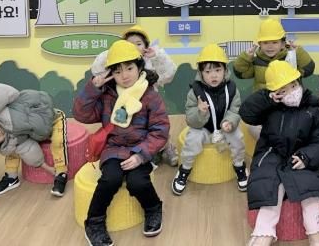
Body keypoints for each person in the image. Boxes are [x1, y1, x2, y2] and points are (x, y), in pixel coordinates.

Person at [74, 40, 169, 246]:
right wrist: (94, 87)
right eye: (117, 71)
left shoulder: (150, 96)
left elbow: (160, 131)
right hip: (113, 149)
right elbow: (82, 114)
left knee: (138, 182)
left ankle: (153, 208)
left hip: (139, 149)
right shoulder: (107, 95)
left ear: (139, 67)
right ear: (111, 74)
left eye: (129, 68)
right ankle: (94, 222)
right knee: (110, 179)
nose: (124, 75)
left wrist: (140, 155)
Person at [240, 61, 319, 246]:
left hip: (302, 156)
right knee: (268, 183)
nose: (291, 91)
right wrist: (266, 99)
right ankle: (263, 232)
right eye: (283, 89)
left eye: (294, 85)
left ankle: (317, 231)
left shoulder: (315, 110)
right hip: (271, 154)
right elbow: (247, 113)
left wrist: (307, 157)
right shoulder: (270, 108)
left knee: (309, 186)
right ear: (275, 92)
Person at [91, 25, 178, 166]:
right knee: (136, 130)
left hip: (150, 103)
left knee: (157, 129)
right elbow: (96, 69)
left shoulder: (149, 62)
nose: (135, 47)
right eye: (130, 44)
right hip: (126, 104)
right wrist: (114, 52)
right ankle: (148, 153)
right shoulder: (120, 66)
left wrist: (157, 55)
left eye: (139, 44)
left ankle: (166, 148)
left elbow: (169, 73)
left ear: (146, 47)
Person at [0, 83, 69, 197]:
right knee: (11, 150)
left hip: (53, 117)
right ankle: (11, 177)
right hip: (39, 129)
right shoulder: (9, 142)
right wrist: (46, 167)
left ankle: (61, 173)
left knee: (58, 142)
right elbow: (28, 150)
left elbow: (2, 91)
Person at [172, 44, 247, 195]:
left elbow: (236, 109)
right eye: (208, 71)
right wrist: (200, 112)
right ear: (200, 73)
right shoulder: (195, 92)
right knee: (192, 139)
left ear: (225, 70)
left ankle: (239, 165)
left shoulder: (232, 89)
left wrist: (229, 122)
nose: (213, 76)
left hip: (224, 128)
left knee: (238, 137)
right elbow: (190, 119)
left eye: (218, 70)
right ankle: (184, 169)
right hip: (204, 128)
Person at [233, 19, 315, 92]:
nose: (270, 46)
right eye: (265, 43)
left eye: (274, 42)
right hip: (263, 102)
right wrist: (245, 58)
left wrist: (298, 52)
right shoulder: (256, 60)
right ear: (259, 44)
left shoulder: (291, 58)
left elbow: (308, 70)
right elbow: (240, 74)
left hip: (287, 101)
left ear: (282, 44)